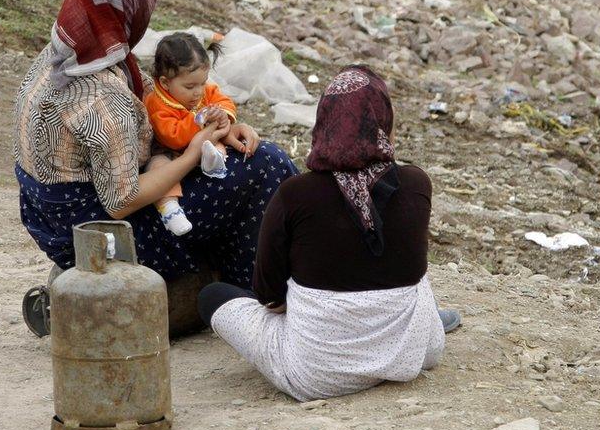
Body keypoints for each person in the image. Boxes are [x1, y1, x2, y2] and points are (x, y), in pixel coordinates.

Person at [13, 0, 297, 337]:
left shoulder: (64, 58)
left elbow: (157, 99)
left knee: (236, 159)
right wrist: (196, 151)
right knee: (266, 163)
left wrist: (221, 124)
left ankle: (234, 278)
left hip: (55, 223)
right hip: (106, 233)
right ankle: (259, 291)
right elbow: (121, 201)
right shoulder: (102, 96)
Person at [197, 66, 461, 402]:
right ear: (385, 124)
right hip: (410, 353)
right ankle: (416, 324)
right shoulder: (416, 183)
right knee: (409, 267)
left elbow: (269, 296)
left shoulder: (294, 194)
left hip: (318, 376)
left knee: (212, 296)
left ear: (324, 125)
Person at [144, 32, 244, 236]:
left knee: (215, 144)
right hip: (169, 153)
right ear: (165, 83)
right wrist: (200, 119)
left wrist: (222, 114)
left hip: (202, 145)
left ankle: (212, 161)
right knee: (157, 169)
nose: (199, 92)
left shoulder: (203, 90)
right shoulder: (156, 103)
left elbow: (224, 101)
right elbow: (172, 135)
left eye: (202, 83)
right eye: (190, 86)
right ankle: (169, 209)